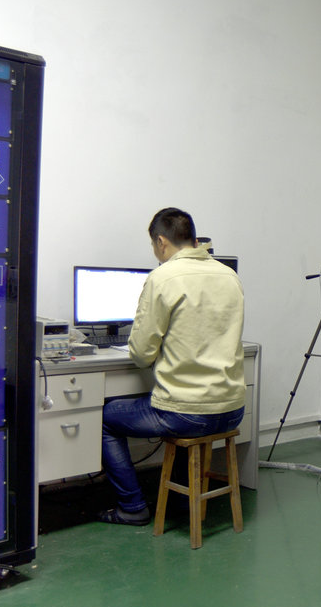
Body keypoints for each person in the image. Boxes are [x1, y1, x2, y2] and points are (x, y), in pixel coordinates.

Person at [98, 208, 245, 525]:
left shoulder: (163, 277)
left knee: (104, 417)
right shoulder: (229, 275)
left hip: (187, 414)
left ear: (161, 242)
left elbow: (141, 354)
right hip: (232, 409)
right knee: (184, 409)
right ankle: (180, 499)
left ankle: (133, 507)